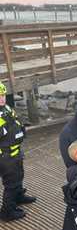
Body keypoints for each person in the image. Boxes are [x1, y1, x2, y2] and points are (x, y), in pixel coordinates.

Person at [0, 82, 36, 222]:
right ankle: (7, 212)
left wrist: (20, 127)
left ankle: (18, 196)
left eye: (3, 95)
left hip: (16, 152)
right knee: (11, 183)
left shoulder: (6, 107)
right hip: (5, 156)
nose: (2, 98)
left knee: (19, 176)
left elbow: (14, 121)